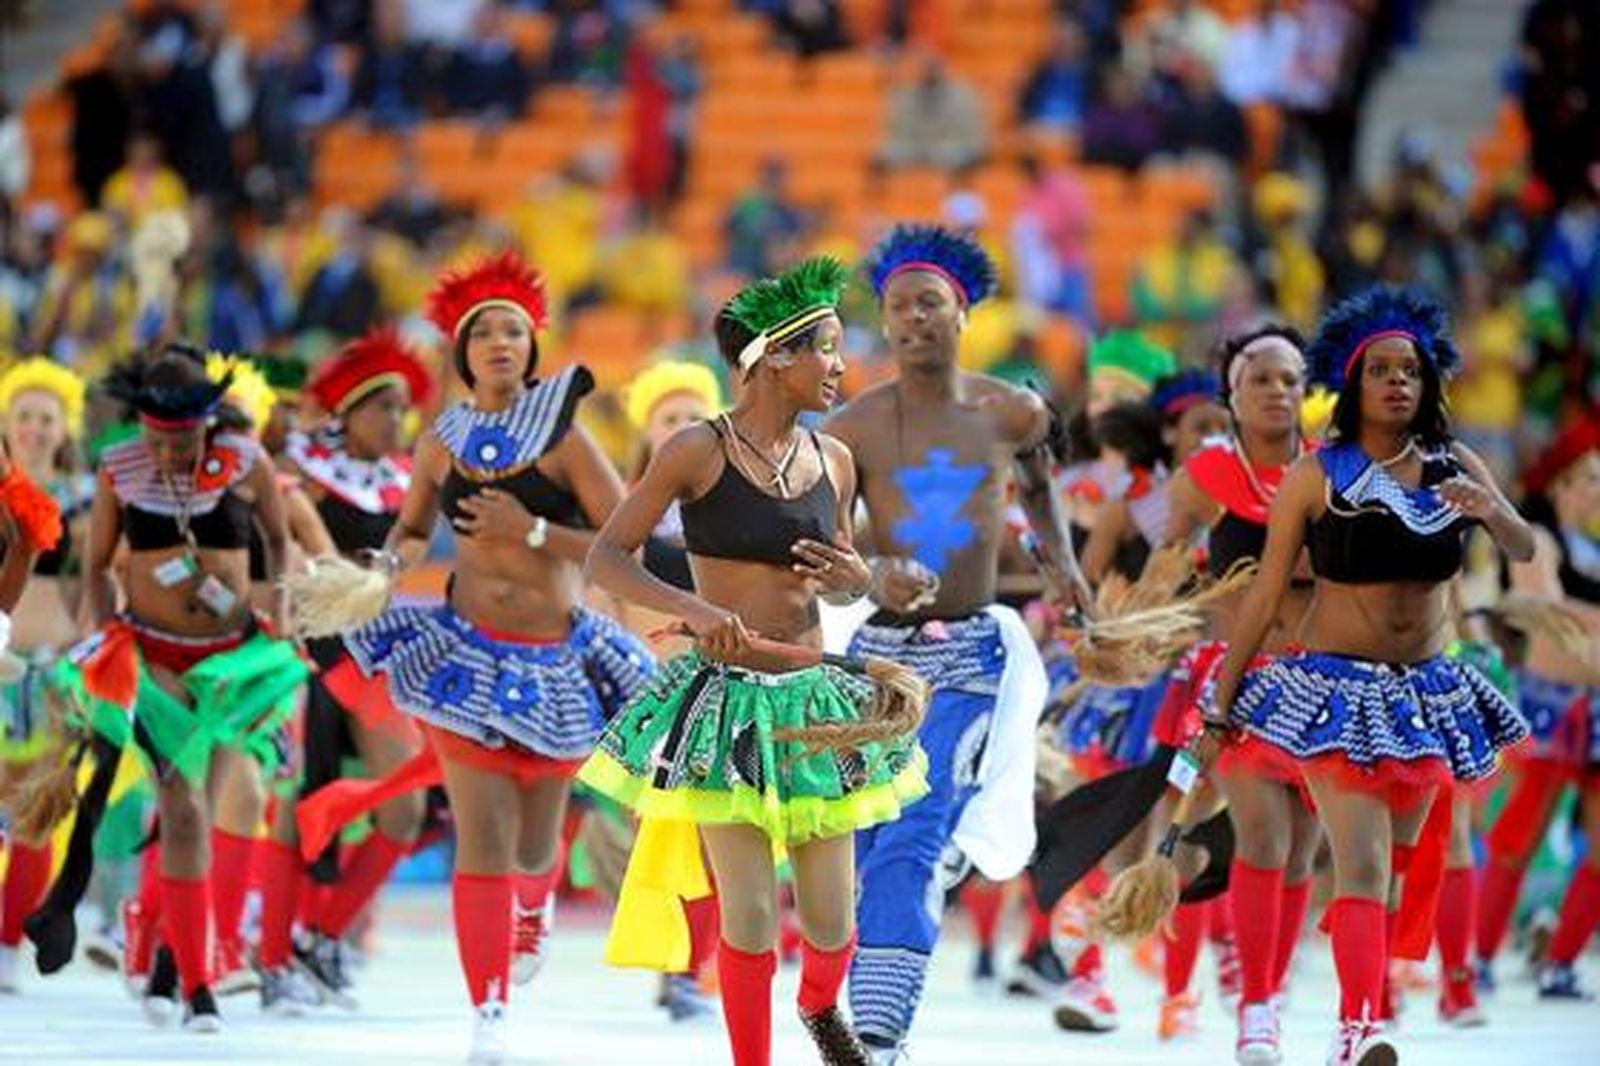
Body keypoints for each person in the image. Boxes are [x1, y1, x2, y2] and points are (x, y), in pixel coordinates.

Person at [581, 258, 926, 1066]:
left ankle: (818, 1009)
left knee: (835, 926)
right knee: (750, 921)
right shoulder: (696, 449)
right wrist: (697, 613)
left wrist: (858, 580)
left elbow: (845, 581)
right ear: (774, 357)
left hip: (814, 708)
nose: (842, 367)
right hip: (727, 706)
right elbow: (607, 558)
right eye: (828, 350)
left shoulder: (834, 461)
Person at [319, 252, 653, 1063]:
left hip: (557, 664)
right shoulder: (441, 441)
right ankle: (489, 1010)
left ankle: (533, 909)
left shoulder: (568, 441)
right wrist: (390, 565)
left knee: (536, 846)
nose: (500, 342)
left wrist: (533, 532)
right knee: (483, 839)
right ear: (462, 353)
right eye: (483, 332)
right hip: (462, 655)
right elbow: (409, 525)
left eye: (514, 330)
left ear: (532, 350)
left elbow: (625, 540)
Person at [1207, 287, 1535, 1066]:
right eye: (1380, 370)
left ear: (1429, 385)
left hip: (1426, 696)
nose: (1397, 383)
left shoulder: (1459, 466)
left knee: (1385, 870)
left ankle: (1358, 1007)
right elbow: (1264, 591)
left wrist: (1489, 507)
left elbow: (1522, 550)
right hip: (1334, 692)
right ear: (1352, 386)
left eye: (1411, 372)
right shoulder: (1318, 475)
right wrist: (1222, 699)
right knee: (1355, 858)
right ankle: (1354, 1027)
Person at [823, 224, 1083, 1061]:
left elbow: (1042, 489)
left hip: (972, 653)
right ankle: (888, 956)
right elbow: (831, 554)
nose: (913, 320)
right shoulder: (853, 428)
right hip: (877, 658)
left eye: (929, 303)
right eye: (898, 307)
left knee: (912, 827)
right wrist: (874, 576)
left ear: (963, 312)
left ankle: (877, 1032)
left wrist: (1063, 569)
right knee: (867, 839)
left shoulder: (1014, 409)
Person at [63, 342, 308, 1032]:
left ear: (208, 422)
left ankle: (171, 963)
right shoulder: (120, 469)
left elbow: (282, 544)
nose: (169, 453)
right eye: (157, 439)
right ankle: (197, 984)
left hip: (233, 664)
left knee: (213, 799)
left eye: (184, 440)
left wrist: (282, 619)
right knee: (182, 808)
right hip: (155, 656)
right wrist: (109, 638)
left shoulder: (247, 459)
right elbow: (96, 567)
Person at [255, 328, 436, 1014]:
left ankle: (323, 937)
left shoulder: (402, 483)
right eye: (383, 407)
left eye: (401, 409)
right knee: (292, 809)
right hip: (302, 654)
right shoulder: (298, 469)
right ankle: (271, 961)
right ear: (349, 412)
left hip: (369, 658)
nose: (397, 420)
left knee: (405, 806)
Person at [1155, 326, 1323, 1057]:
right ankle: (1254, 1007)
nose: (1277, 392)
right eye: (1261, 379)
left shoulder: (1335, 473)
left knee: (1302, 850)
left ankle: (1271, 991)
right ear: (1232, 393)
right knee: (1261, 832)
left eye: (1290, 379)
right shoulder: (1202, 475)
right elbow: (1161, 554)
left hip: (1323, 680)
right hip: (1233, 678)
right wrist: (1130, 620)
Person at [1478, 415, 1600, 1001]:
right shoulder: (1540, 540)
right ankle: (1475, 956)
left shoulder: (1594, 549)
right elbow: (1539, 605)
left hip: (1597, 707)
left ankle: (1560, 962)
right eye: (1590, 478)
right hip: (1553, 707)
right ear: (1560, 486)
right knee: (1517, 838)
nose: (1599, 489)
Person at [0, 363, 74, 993]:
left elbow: (95, 583)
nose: (33, 427)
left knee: (35, 809)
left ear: (63, 429)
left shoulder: (83, 497)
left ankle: (7, 946)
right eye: (23, 415)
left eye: (45, 417)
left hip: (54, 668)